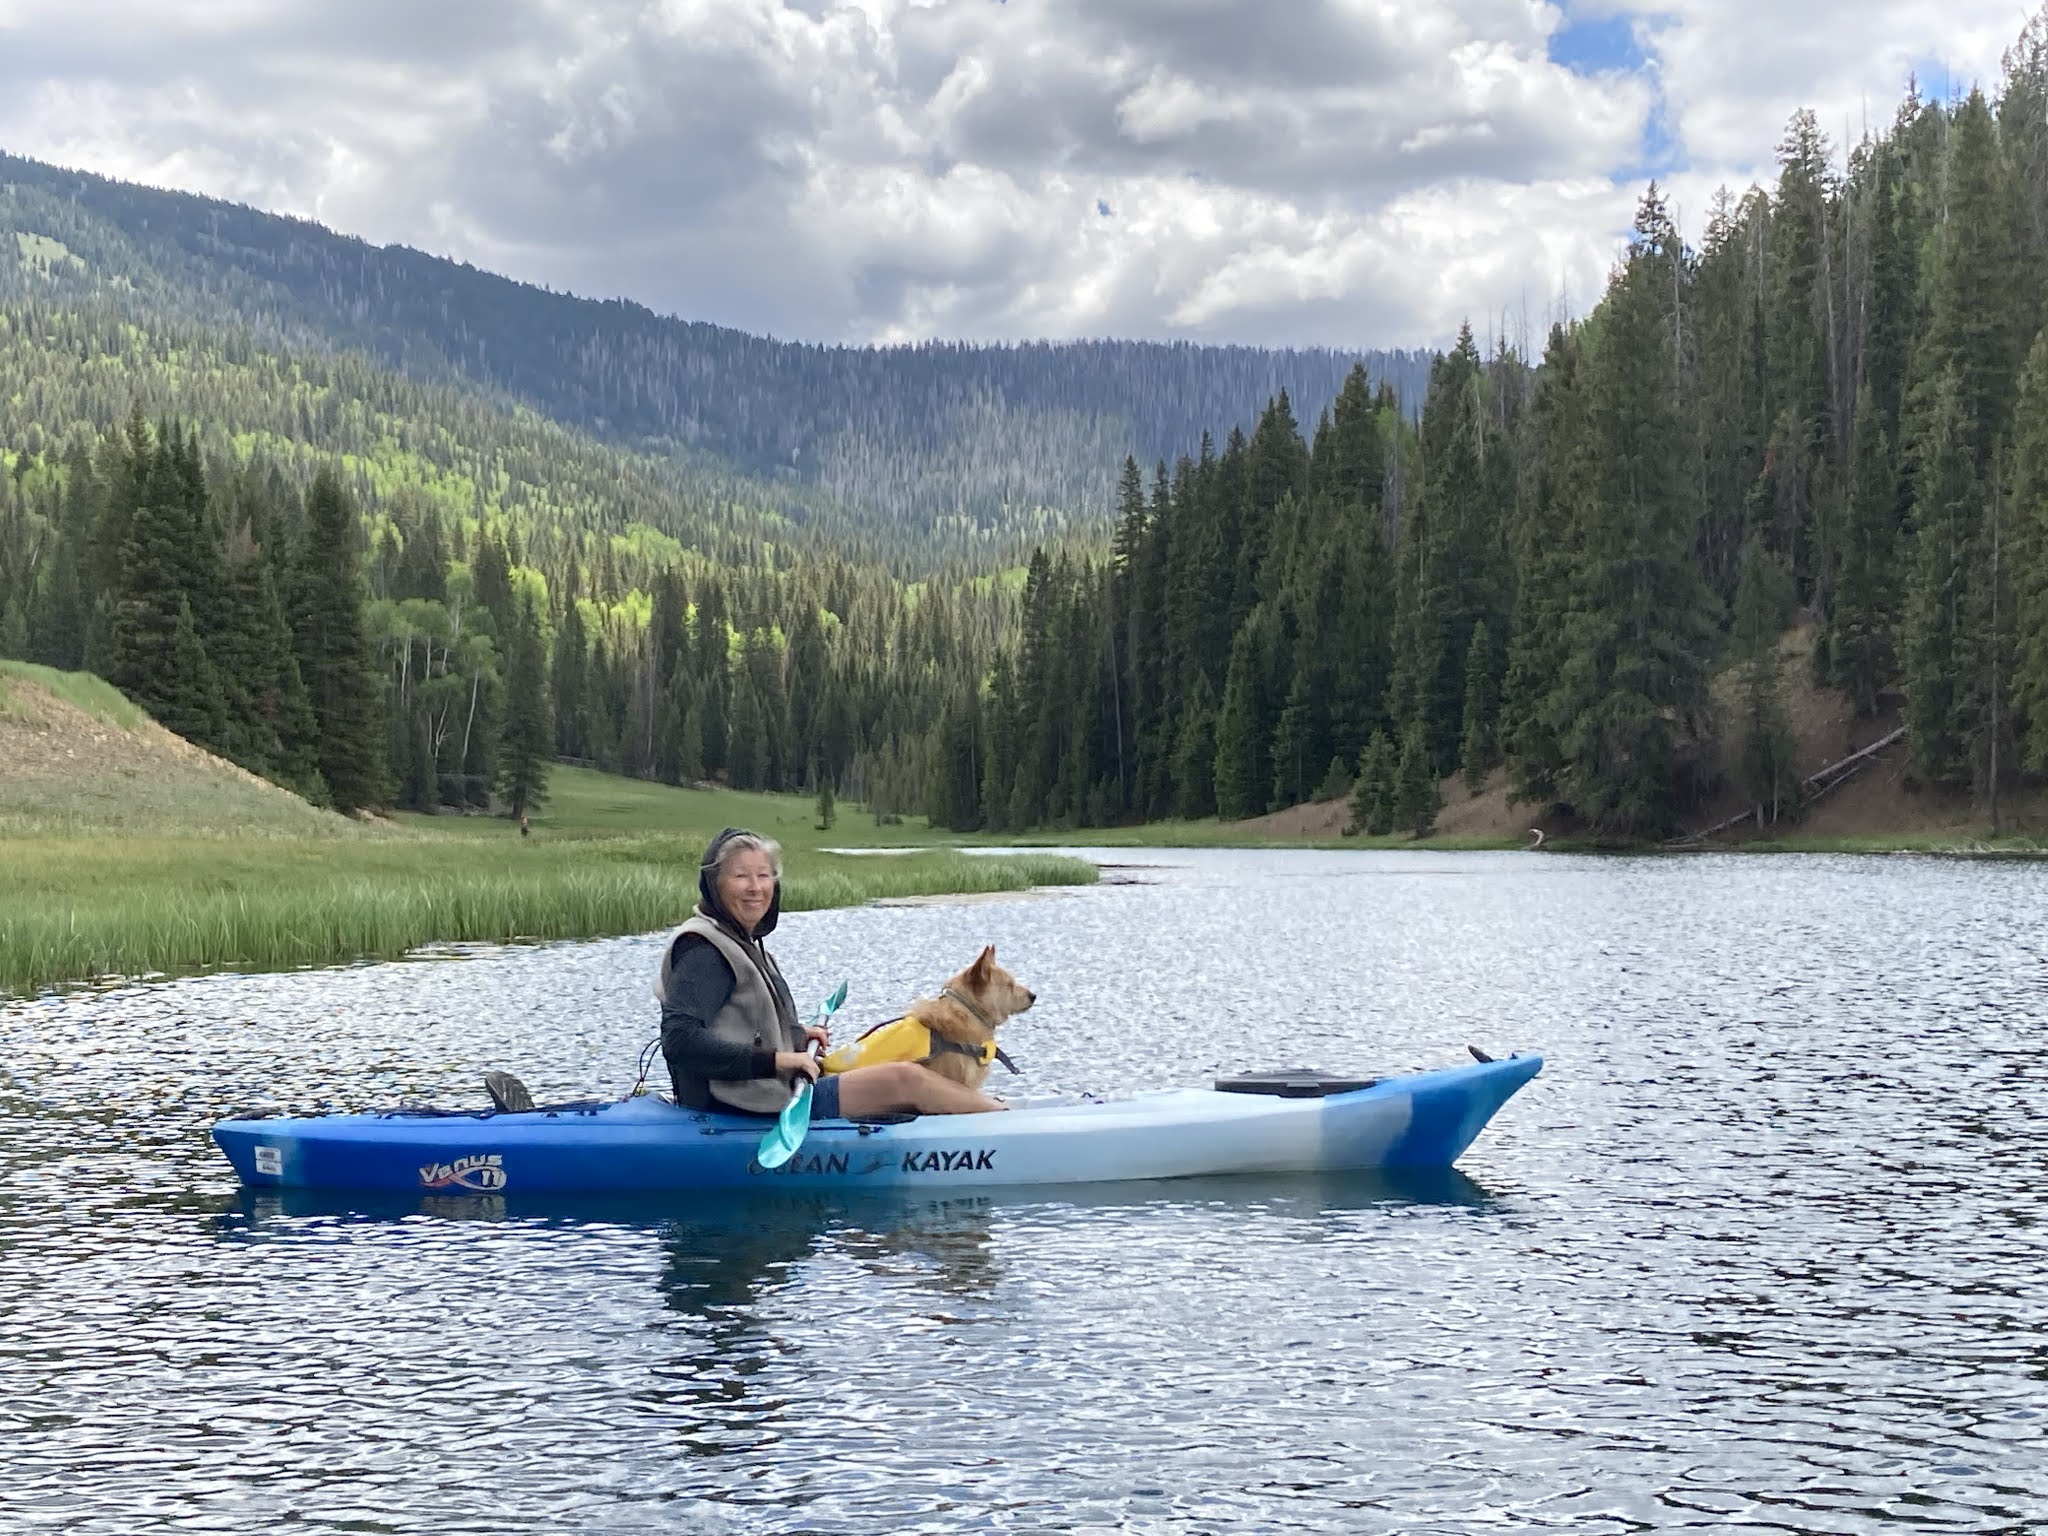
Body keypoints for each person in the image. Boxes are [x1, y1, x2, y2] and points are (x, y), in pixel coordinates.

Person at [658, 828, 1008, 1120]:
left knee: (897, 1074)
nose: (756, 887)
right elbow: (680, 1040)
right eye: (740, 876)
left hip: (764, 1092)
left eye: (764, 875)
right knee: (905, 1079)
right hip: (744, 1106)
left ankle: (993, 1111)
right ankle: (1005, 1120)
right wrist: (781, 1061)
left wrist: (795, 1034)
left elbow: (740, 1023)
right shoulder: (704, 951)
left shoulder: (738, 940)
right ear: (714, 886)